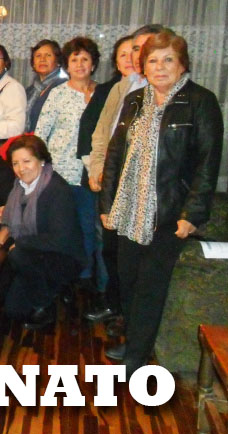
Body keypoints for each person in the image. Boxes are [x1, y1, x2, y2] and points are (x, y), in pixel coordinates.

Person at [100, 31, 223, 375]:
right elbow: (114, 155)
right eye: (153, 60)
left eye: (168, 59)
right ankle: (134, 342)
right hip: (129, 207)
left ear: (182, 64)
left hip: (169, 211)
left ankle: (137, 357)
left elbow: (208, 162)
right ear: (143, 66)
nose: (160, 66)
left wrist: (192, 213)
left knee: (150, 286)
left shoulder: (201, 101)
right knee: (128, 280)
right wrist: (107, 204)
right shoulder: (135, 100)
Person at [87, 25, 169, 338]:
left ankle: (128, 319)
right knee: (110, 250)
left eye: (146, 48)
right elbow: (102, 133)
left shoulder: (165, 92)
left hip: (144, 191)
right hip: (112, 181)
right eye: (135, 48)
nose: (138, 54)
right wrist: (97, 168)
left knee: (132, 258)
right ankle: (115, 306)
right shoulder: (124, 87)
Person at [0, 135, 84, 330]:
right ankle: (43, 289)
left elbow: (60, 240)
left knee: (17, 256)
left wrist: (22, 243)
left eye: (27, 161)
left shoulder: (57, 189)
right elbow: (9, 224)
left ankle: (45, 304)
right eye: (15, 163)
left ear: (42, 160)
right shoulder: (19, 187)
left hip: (62, 256)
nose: (21, 168)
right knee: (10, 308)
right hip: (32, 253)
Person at [77, 35, 134, 324]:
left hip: (133, 180)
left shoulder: (152, 91)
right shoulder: (110, 90)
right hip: (105, 176)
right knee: (104, 239)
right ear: (115, 62)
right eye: (123, 54)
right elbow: (92, 131)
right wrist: (94, 169)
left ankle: (121, 303)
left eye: (135, 52)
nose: (129, 58)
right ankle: (106, 294)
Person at [35, 36, 100, 288]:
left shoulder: (104, 94)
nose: (80, 64)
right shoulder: (57, 93)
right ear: (67, 64)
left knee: (86, 228)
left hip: (90, 175)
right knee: (59, 229)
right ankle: (57, 279)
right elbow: (41, 134)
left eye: (85, 59)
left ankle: (83, 281)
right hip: (59, 173)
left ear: (93, 64)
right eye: (74, 59)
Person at [24, 40, 67, 132]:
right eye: (38, 56)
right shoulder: (29, 91)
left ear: (58, 61)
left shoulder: (64, 87)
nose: (42, 59)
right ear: (33, 63)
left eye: (48, 55)